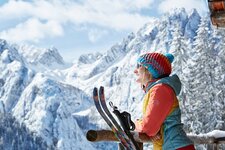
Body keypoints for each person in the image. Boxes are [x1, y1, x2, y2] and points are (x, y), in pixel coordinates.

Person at [134, 52, 195, 150]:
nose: (135, 71)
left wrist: (136, 124)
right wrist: (150, 130)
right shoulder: (158, 89)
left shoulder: (161, 90)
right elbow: (152, 128)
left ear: (149, 71)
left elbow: (149, 127)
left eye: (138, 66)